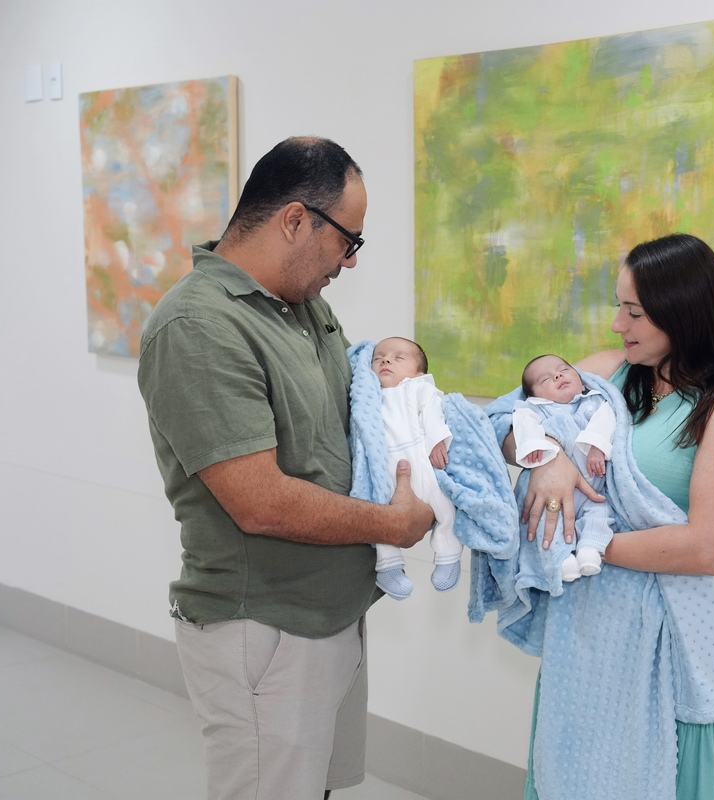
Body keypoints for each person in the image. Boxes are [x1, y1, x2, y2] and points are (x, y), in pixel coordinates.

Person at [137, 137, 434, 800]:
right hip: (264, 630)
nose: (350, 262)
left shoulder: (303, 306)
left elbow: (359, 423)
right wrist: (393, 524)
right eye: (348, 241)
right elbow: (260, 502)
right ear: (297, 220)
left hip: (330, 614)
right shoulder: (198, 324)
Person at [513, 233, 714, 799]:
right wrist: (548, 457)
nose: (616, 325)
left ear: (682, 311)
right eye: (619, 306)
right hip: (584, 637)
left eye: (633, 312)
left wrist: (585, 542)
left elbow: (709, 548)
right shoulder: (610, 374)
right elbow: (511, 422)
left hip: (665, 643)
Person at [368, 336, 462, 598]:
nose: (386, 361)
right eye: (378, 358)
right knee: (380, 514)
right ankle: (388, 567)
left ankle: (448, 555)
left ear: (419, 372)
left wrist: (437, 441)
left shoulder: (418, 388)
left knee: (443, 505)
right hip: (382, 464)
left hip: (419, 457)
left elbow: (433, 413)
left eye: (398, 358)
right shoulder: (368, 394)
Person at [513, 354, 616, 582]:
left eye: (564, 370)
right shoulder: (534, 409)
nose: (558, 375)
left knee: (601, 512)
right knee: (544, 520)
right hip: (552, 489)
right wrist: (534, 445)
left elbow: (607, 421)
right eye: (545, 379)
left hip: (593, 487)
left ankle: (590, 548)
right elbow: (524, 424)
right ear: (534, 396)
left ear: (581, 379)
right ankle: (560, 559)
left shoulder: (597, 401)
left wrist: (597, 446)